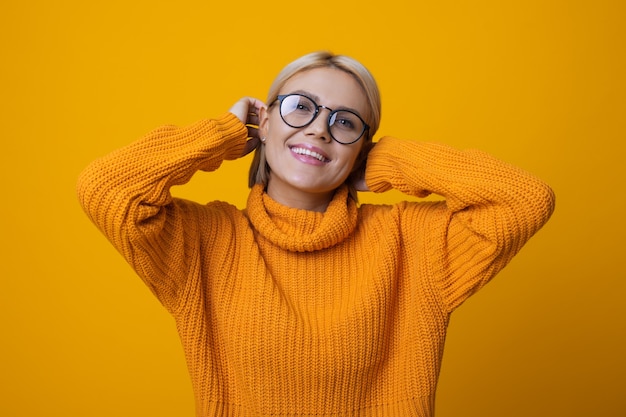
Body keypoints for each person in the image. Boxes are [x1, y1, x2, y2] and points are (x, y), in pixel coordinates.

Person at [77, 51, 555, 417]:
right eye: (300, 108)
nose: (320, 130)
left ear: (361, 148)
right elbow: (107, 188)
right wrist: (220, 133)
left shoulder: (413, 243)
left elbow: (524, 201)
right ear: (263, 122)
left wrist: (390, 161)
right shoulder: (204, 241)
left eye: (344, 122)